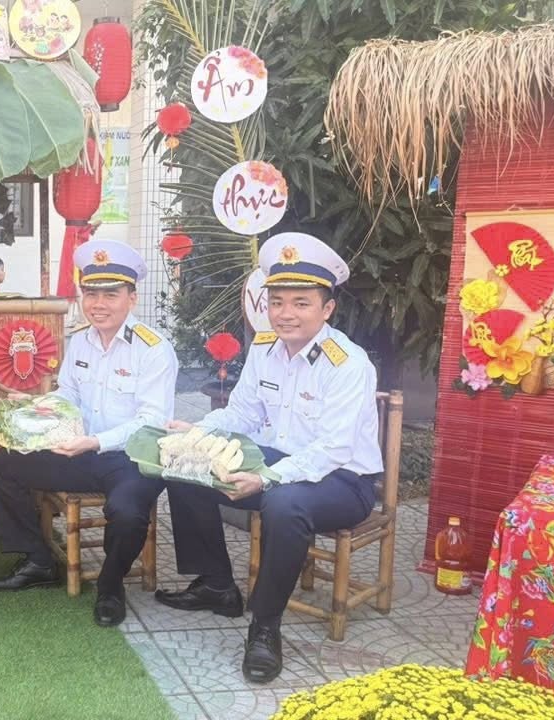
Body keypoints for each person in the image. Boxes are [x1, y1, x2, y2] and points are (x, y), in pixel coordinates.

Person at [155, 232, 382, 684]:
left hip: (344, 480)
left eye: (301, 303)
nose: (286, 313)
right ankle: (217, 584)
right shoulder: (264, 349)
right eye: (277, 302)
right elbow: (241, 412)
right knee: (185, 469)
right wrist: (198, 433)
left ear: (327, 309)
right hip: (280, 462)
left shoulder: (348, 363)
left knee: (283, 503)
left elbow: (334, 448)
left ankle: (264, 625)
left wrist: (266, 478)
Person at [0, 240, 177, 627]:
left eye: (111, 294)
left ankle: (110, 586)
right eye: (91, 293)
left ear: (132, 298)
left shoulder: (154, 350)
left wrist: (96, 441)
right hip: (82, 452)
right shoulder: (81, 340)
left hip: (132, 459)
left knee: (126, 511)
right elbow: (69, 394)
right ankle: (38, 560)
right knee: (1, 464)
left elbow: (152, 420)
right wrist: (39, 404)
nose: (98, 304)